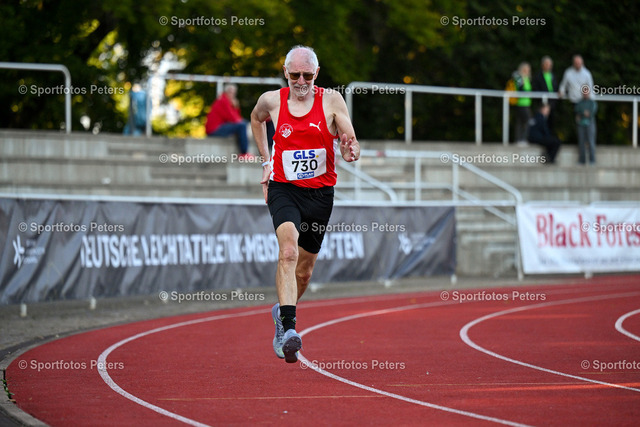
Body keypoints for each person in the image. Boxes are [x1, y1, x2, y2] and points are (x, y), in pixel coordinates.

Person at [250, 45, 360, 363]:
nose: (301, 81)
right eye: (295, 74)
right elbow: (256, 120)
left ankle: (281, 312)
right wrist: (266, 161)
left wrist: (351, 150)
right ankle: (288, 329)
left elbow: (351, 141)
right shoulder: (272, 101)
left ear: (317, 74)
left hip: (320, 195)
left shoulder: (332, 100)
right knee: (288, 252)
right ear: (285, 72)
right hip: (284, 188)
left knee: (305, 271)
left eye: (307, 75)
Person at [558, 55, 596, 164]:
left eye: (580, 63)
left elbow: (591, 88)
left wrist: (589, 106)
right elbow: (563, 85)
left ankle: (591, 159)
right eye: (576, 63)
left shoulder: (586, 74)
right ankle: (582, 159)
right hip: (575, 104)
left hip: (586, 104)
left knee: (590, 136)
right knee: (580, 134)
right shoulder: (568, 73)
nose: (578, 65)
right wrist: (561, 91)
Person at [205, 84, 253, 159]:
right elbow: (234, 119)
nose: (232, 94)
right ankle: (244, 153)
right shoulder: (223, 101)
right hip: (214, 130)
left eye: (234, 92)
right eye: (230, 92)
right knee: (243, 125)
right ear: (226, 92)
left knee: (244, 124)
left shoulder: (223, 100)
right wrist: (236, 107)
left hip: (216, 128)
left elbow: (236, 118)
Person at [532, 56, 559, 132]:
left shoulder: (553, 75)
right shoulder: (538, 76)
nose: (548, 66)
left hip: (552, 102)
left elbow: (556, 88)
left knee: (551, 122)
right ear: (542, 65)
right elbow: (535, 89)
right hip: (542, 103)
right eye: (546, 64)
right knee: (542, 122)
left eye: (549, 65)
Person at [575, 87, 597, 164]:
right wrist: (583, 113)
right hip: (581, 124)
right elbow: (577, 110)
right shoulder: (580, 103)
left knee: (591, 142)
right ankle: (582, 160)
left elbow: (591, 112)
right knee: (581, 142)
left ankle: (592, 160)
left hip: (590, 123)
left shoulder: (592, 103)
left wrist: (583, 113)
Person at [512, 62, 532, 145]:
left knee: (520, 122)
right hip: (520, 103)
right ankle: (522, 139)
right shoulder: (519, 78)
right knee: (527, 121)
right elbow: (520, 89)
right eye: (525, 70)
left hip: (526, 103)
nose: (527, 71)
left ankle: (519, 139)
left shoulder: (527, 78)